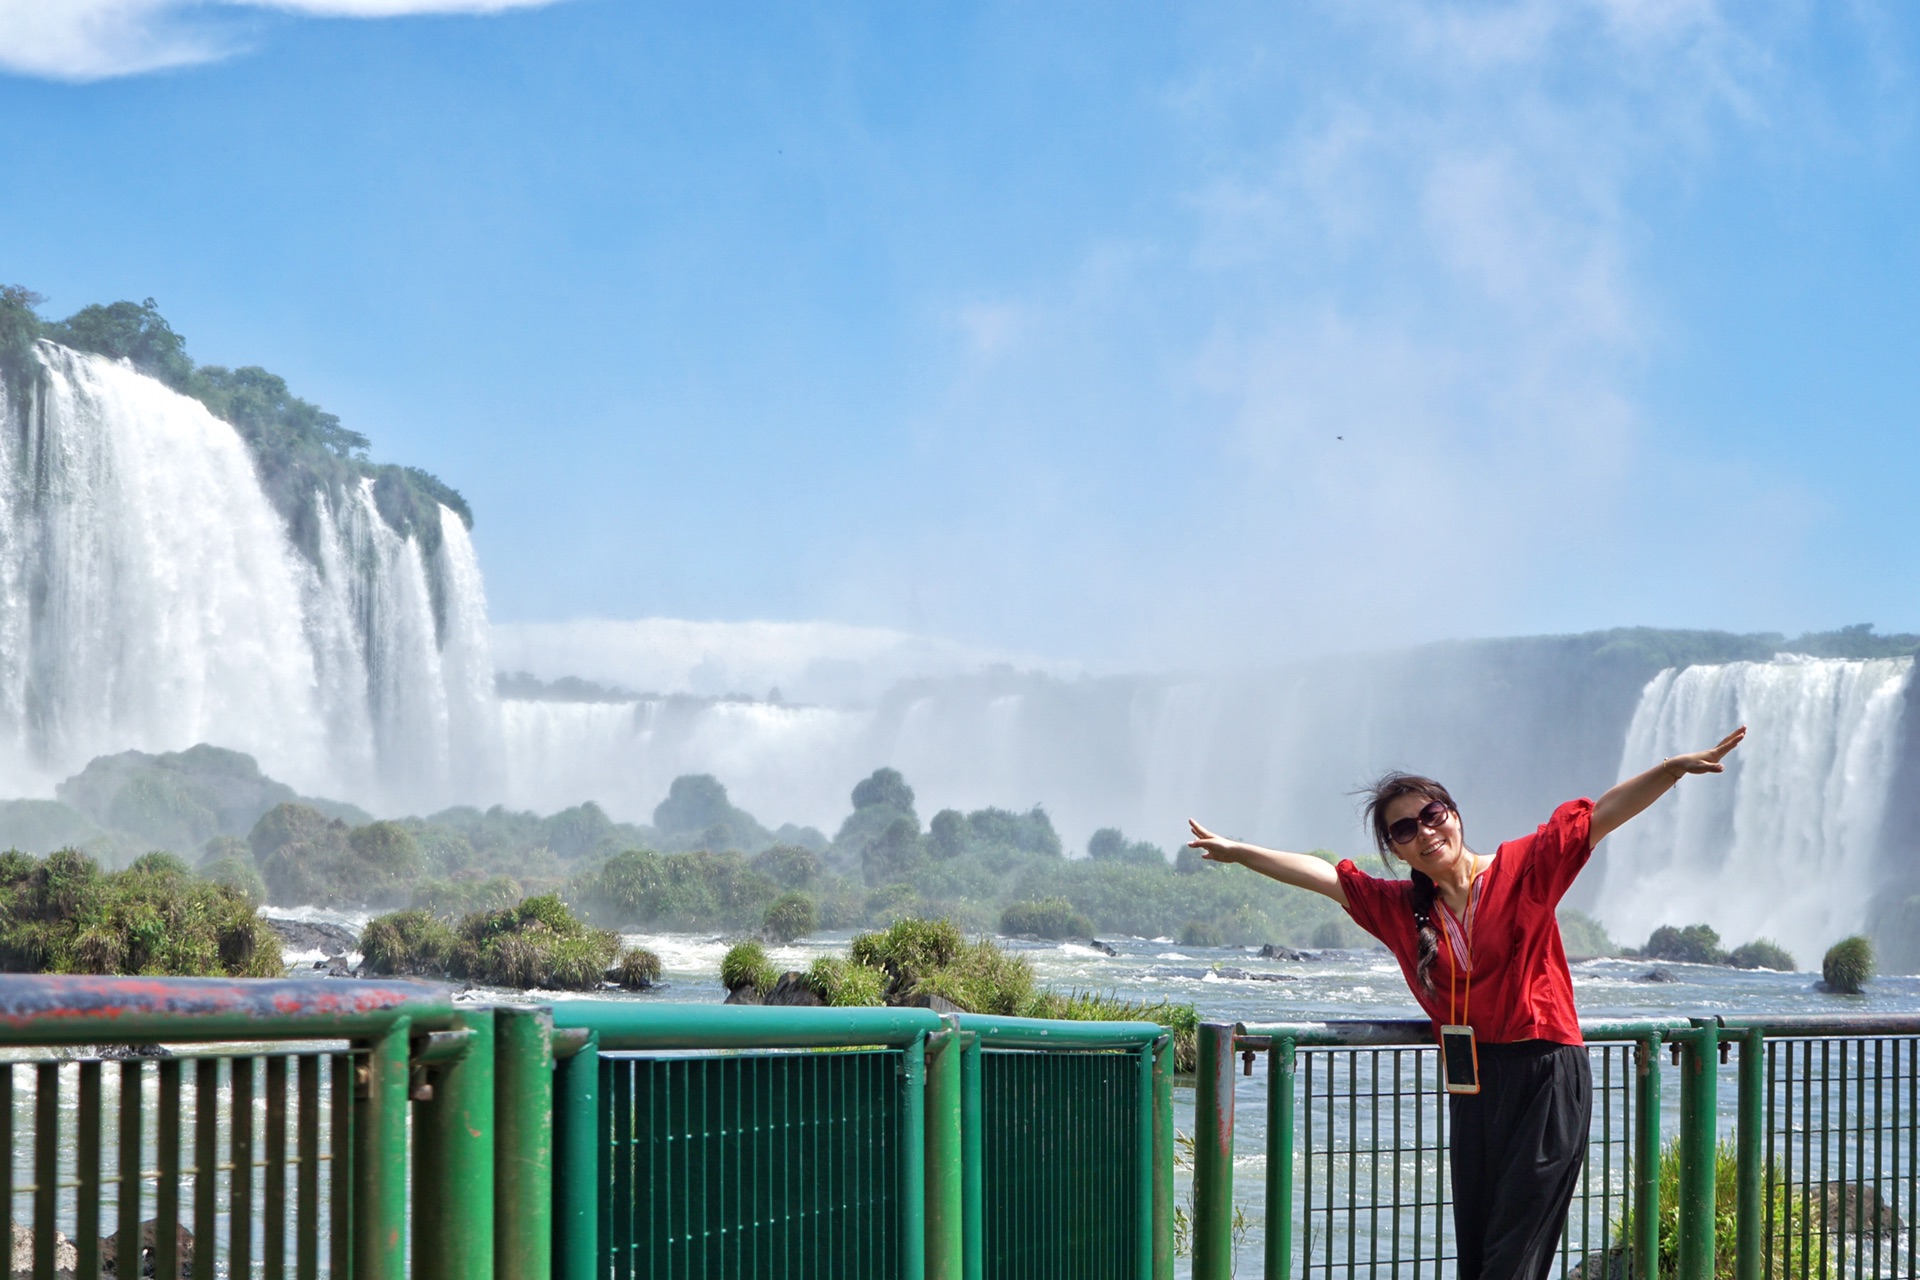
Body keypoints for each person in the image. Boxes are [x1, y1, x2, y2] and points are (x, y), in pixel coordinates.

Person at [1186, 726, 1745, 1280]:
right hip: (1474, 1087)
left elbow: (1599, 816)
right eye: (1404, 829)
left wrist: (1671, 769)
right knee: (1478, 1259)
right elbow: (1327, 876)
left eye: (1431, 815)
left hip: (1545, 1075)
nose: (1425, 833)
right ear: (1395, 849)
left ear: (1453, 813)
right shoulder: (1405, 909)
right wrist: (1240, 852)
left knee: (1512, 1261)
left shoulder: (1523, 868)